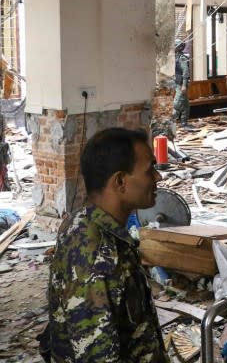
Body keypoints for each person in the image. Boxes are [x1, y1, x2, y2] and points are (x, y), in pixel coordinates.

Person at [43, 128, 168, 362]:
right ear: (120, 181)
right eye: (149, 169)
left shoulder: (93, 221)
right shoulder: (96, 255)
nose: (157, 177)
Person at [173, 39, 191, 128]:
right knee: (185, 105)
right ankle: (184, 123)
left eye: (175, 46)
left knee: (177, 104)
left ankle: (170, 122)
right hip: (177, 83)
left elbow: (185, 72)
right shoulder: (176, 57)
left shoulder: (182, 58)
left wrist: (184, 85)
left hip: (181, 84)